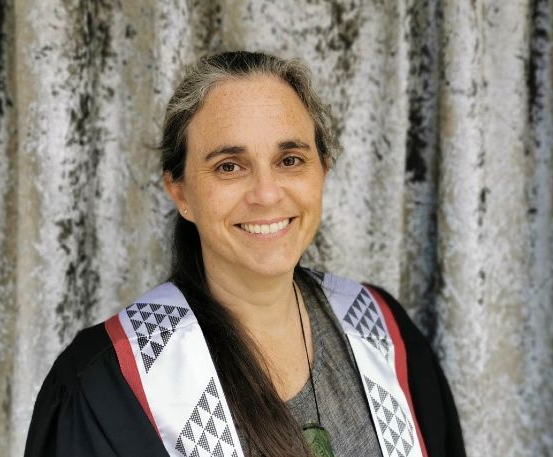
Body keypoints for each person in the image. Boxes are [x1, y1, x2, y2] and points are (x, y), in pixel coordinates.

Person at [25, 51, 466, 457]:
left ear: (323, 170)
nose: (266, 194)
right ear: (179, 191)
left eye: (290, 159)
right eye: (229, 167)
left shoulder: (383, 332)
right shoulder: (105, 385)